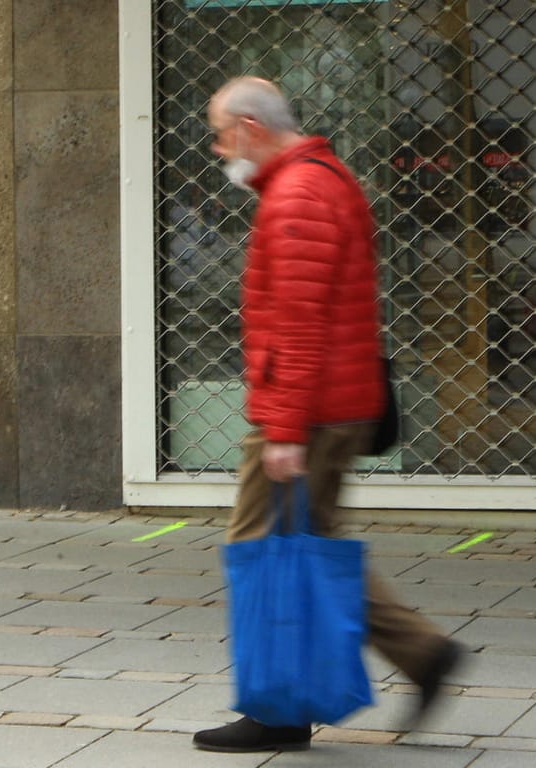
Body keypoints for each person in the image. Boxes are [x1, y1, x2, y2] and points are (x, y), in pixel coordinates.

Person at [194, 76, 462, 754]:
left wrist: (282, 430)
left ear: (251, 126)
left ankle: (280, 710)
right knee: (309, 543)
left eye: (221, 133)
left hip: (308, 412)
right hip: (333, 403)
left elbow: (300, 323)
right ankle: (423, 653)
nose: (218, 148)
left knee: (261, 544)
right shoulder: (320, 177)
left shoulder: (298, 195)